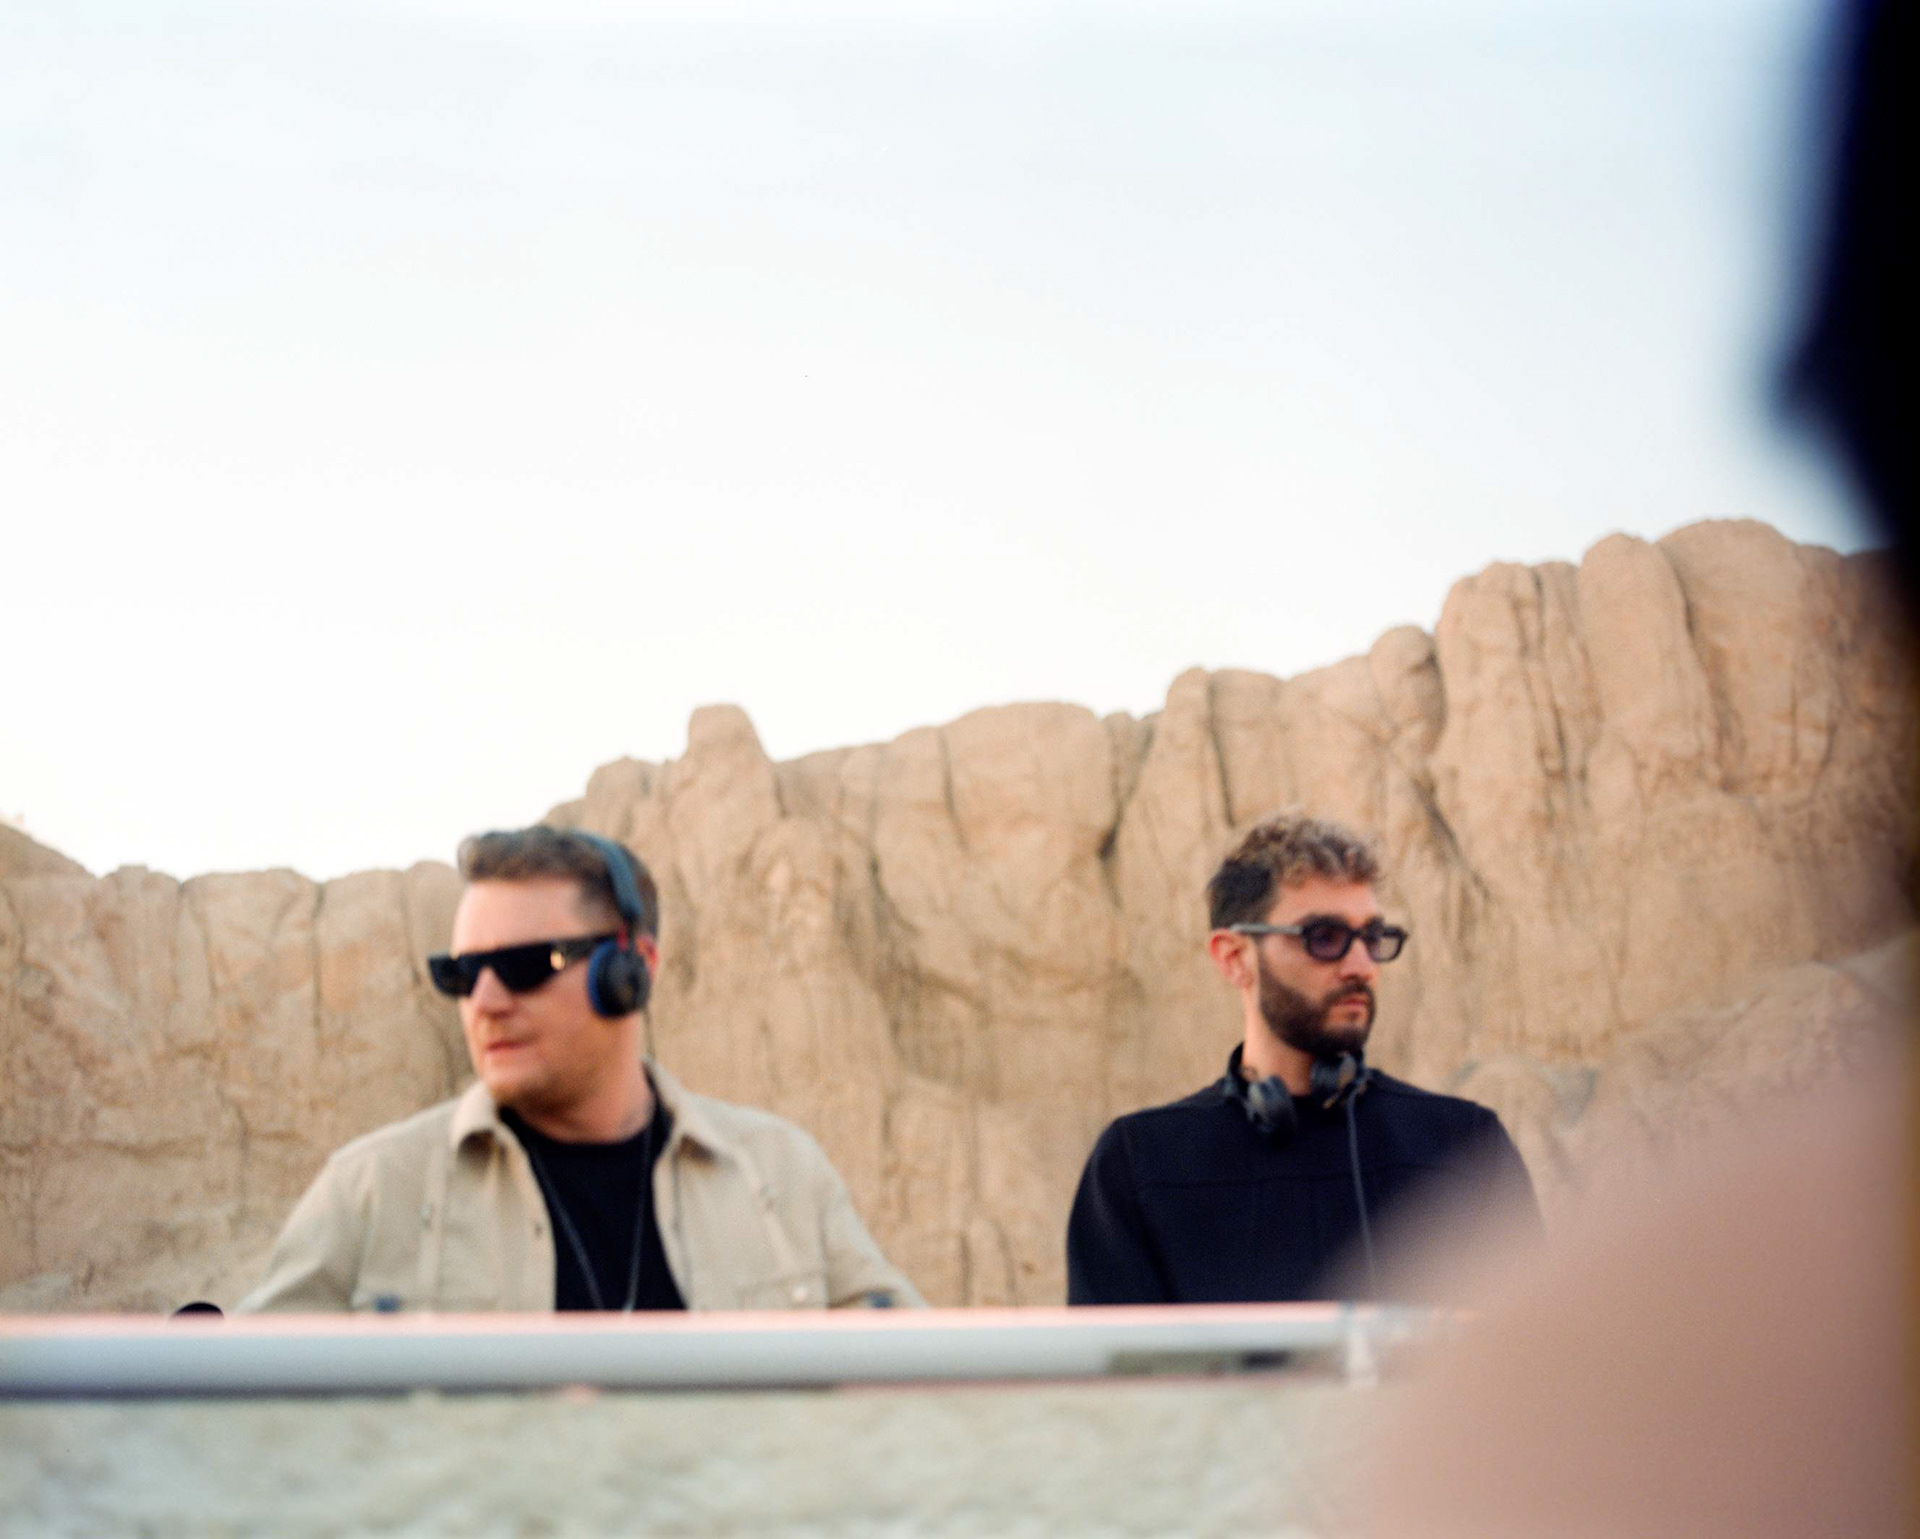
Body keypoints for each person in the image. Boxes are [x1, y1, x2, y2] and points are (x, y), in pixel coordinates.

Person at [241, 826, 922, 1312]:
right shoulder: (370, 1192)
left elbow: (919, 1396)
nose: (485, 1002)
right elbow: (235, 1432)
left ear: (632, 970)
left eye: (525, 966)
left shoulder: (781, 1178)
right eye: (463, 973)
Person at [1065, 810, 1539, 1305]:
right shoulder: (1140, 1164)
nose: (1361, 967)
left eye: (1372, 938)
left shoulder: (1466, 1148)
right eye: (1324, 938)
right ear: (1234, 957)